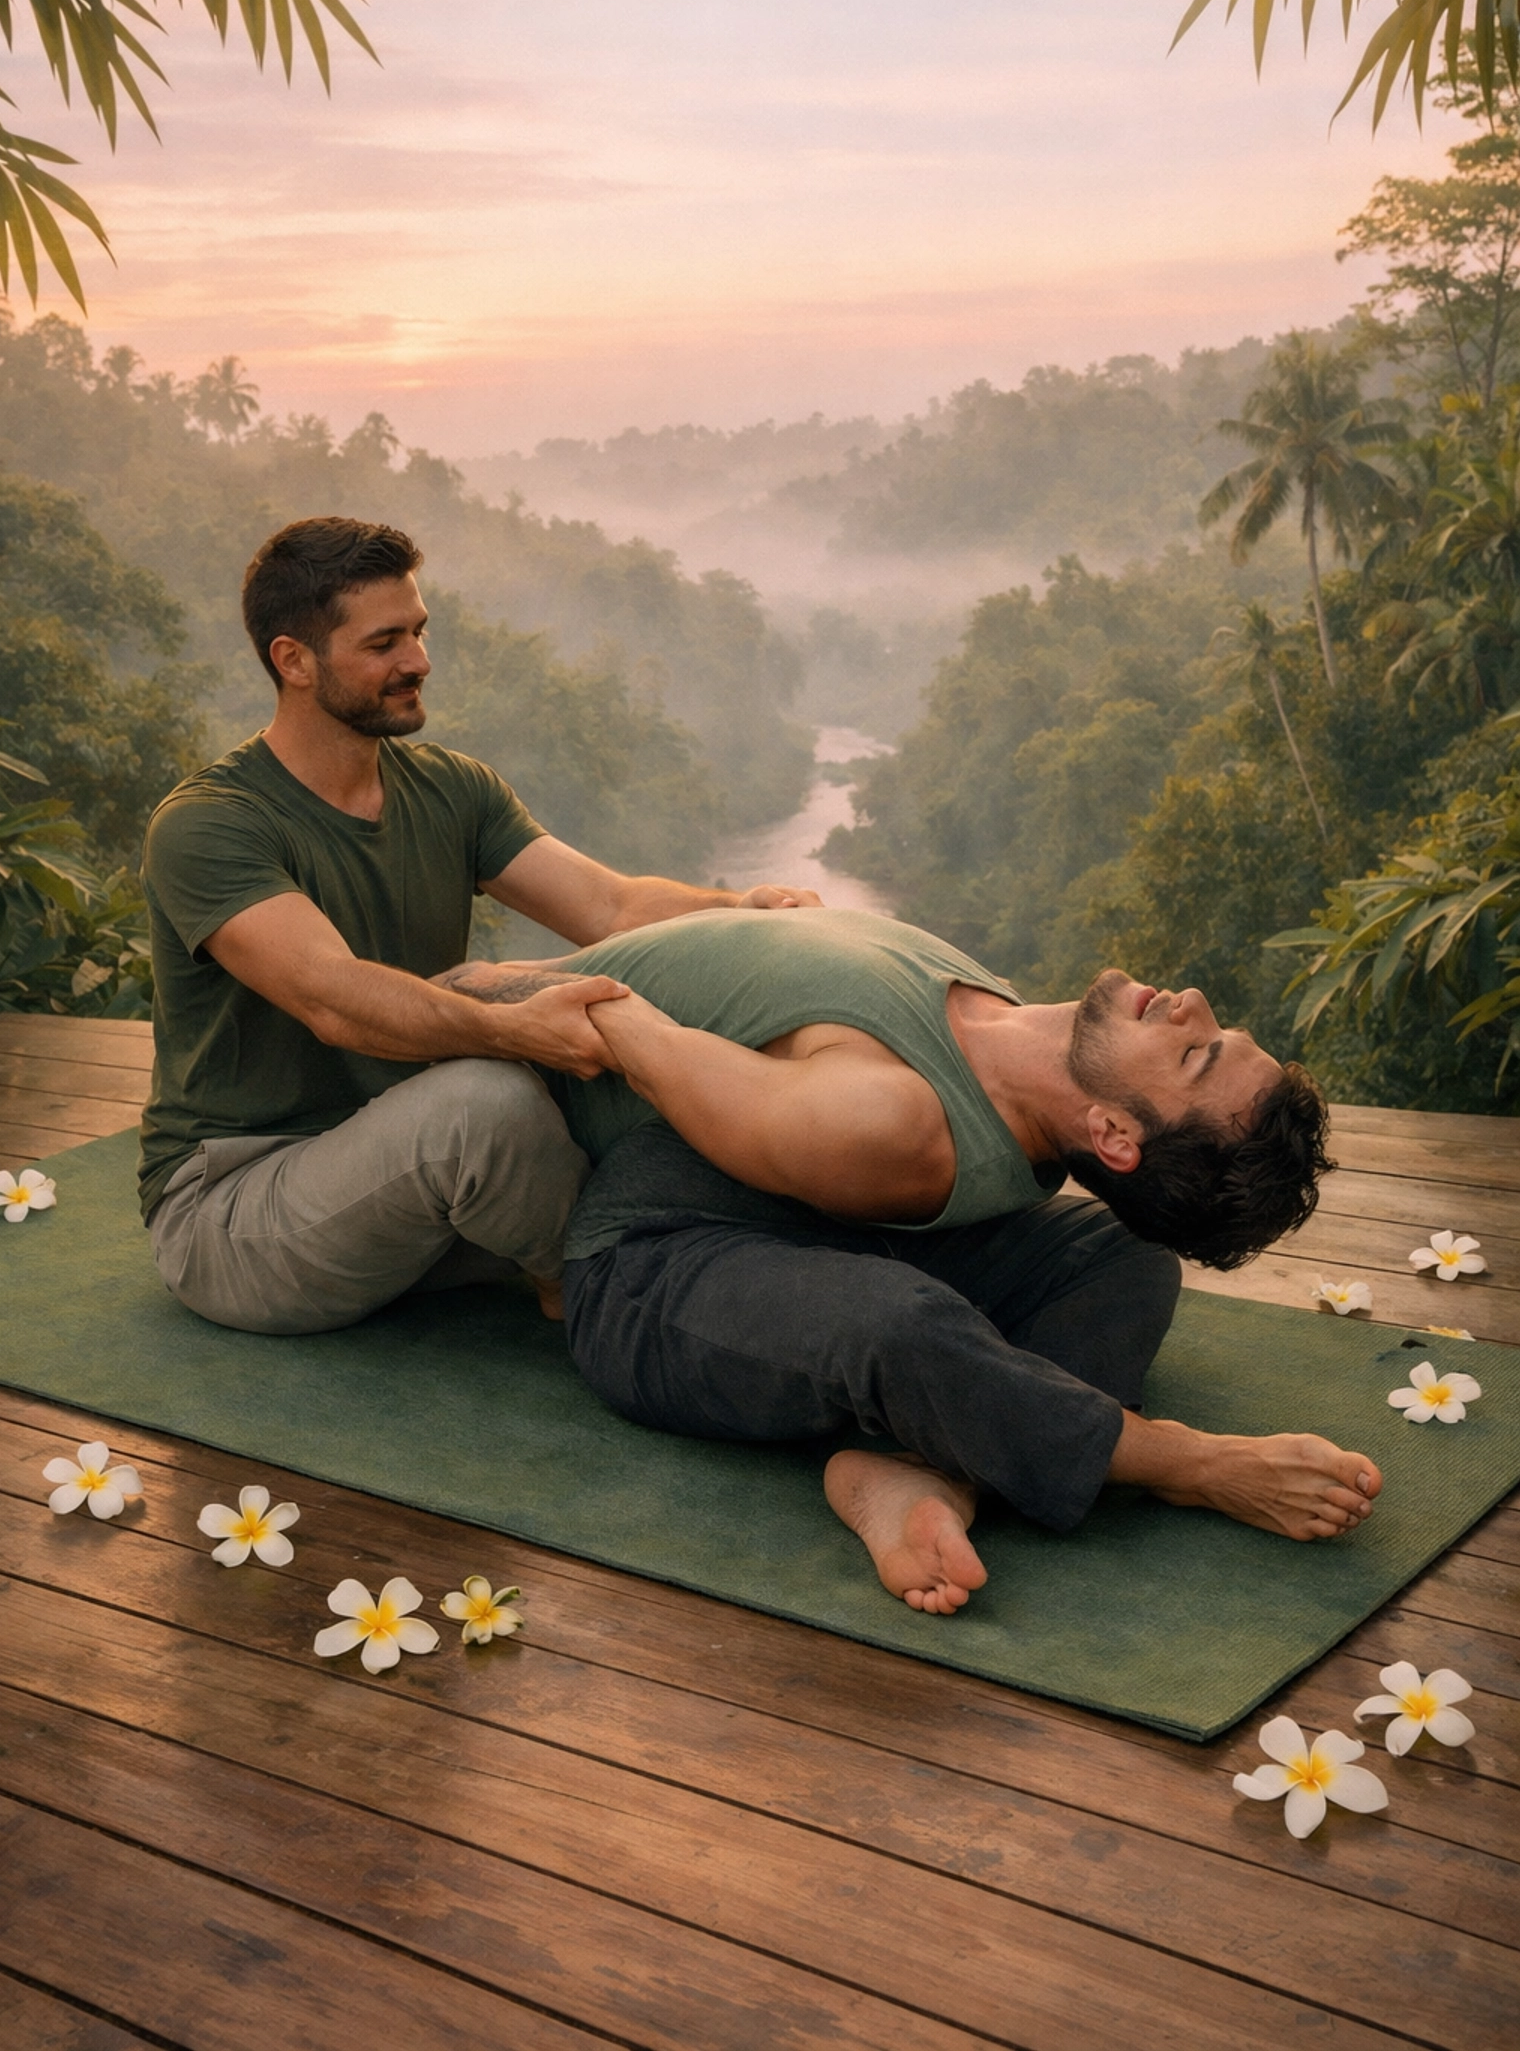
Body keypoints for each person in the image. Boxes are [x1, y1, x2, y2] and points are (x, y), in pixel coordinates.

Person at [442, 907, 1381, 1615]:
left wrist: (480, 981)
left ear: (1112, 1136)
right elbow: (652, 987)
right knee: (898, 1321)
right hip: (663, 1264)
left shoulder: (897, 1118)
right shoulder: (969, 1038)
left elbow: (616, 1016)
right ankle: (1166, 1458)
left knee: (1122, 1258)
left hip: (730, 1248)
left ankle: (930, 1472)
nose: (1194, 1006)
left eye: (1198, 1054)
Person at [138, 515, 821, 1337]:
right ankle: (605, 1303)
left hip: (418, 1175)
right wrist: (514, 1030)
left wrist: (744, 909)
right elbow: (334, 1000)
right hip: (239, 1212)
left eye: (419, 633)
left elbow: (611, 908)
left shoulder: (451, 789)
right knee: (485, 1098)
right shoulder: (211, 824)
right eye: (385, 643)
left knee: (597, 1036)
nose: (418, 662)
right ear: (295, 661)